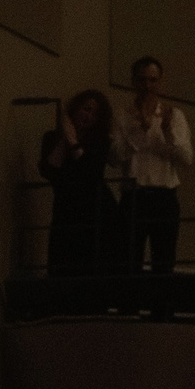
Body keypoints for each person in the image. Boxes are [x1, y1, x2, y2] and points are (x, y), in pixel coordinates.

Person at [113, 55, 192, 275]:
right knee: (128, 262)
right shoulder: (122, 116)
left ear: (160, 81)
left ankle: (162, 310)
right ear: (133, 82)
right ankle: (128, 308)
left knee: (164, 263)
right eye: (142, 80)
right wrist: (141, 130)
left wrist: (167, 133)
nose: (147, 86)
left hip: (164, 197)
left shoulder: (174, 116)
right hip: (134, 197)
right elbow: (115, 158)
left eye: (152, 80)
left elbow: (187, 159)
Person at [39, 89, 118, 276]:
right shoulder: (51, 137)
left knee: (90, 271)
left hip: (95, 214)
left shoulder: (100, 142)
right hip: (65, 212)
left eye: (94, 114)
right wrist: (65, 138)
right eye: (86, 109)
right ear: (75, 108)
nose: (88, 116)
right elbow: (49, 170)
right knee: (60, 267)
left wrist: (74, 142)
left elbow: (90, 172)